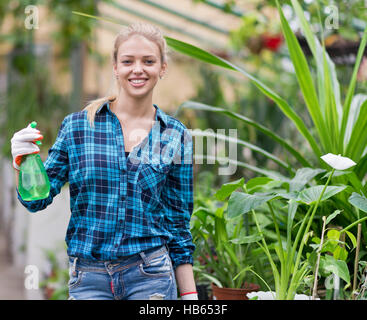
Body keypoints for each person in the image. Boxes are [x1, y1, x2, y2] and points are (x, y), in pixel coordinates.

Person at [11, 22, 198, 300]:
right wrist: (24, 162)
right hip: (89, 280)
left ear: (162, 68)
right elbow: (36, 200)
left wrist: (190, 296)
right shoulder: (78, 127)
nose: (138, 69)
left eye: (148, 61)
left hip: (152, 278)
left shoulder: (175, 135)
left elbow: (178, 225)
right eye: (128, 61)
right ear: (115, 67)